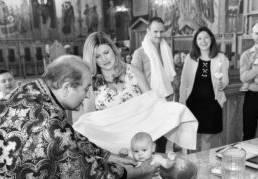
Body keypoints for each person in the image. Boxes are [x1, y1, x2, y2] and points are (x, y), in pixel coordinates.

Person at [0, 55, 160, 179]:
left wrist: (109, 155)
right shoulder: (48, 122)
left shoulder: (30, 90)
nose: (87, 96)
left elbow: (71, 136)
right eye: (85, 89)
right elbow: (88, 175)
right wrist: (141, 171)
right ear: (67, 87)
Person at [73, 32, 198, 155]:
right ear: (92, 60)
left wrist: (174, 110)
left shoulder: (132, 71)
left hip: (141, 144)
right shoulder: (90, 85)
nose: (104, 59)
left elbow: (153, 102)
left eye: (106, 52)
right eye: (97, 56)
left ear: (113, 50)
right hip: (114, 147)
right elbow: (91, 122)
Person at [131, 17, 178, 153]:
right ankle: (152, 171)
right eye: (155, 31)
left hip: (168, 100)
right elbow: (134, 79)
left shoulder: (166, 49)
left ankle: (162, 169)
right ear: (148, 31)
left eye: (161, 31)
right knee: (152, 141)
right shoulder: (139, 53)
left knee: (164, 140)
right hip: (151, 104)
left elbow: (170, 75)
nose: (159, 35)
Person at [179, 26, 229, 151]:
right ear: (196, 41)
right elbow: (183, 82)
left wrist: (222, 84)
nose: (203, 41)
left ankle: (204, 167)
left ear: (211, 39)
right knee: (192, 137)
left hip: (212, 104)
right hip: (193, 104)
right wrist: (182, 102)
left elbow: (226, 80)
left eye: (206, 37)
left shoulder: (221, 58)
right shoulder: (190, 58)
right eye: (199, 38)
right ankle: (192, 166)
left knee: (207, 138)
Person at [239, 21, 258, 140]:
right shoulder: (246, 55)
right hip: (252, 97)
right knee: (248, 133)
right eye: (257, 33)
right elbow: (244, 77)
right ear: (252, 35)